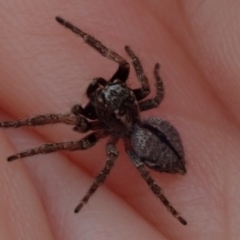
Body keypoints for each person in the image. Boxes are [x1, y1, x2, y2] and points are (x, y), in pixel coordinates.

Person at [0, 1, 239, 239]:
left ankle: (170, 208)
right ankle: (14, 126)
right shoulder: (142, 101)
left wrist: (137, 63)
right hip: (154, 132)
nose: (99, 88)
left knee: (79, 135)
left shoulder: (114, 133)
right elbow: (148, 86)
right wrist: (143, 66)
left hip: (148, 138)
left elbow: (72, 133)